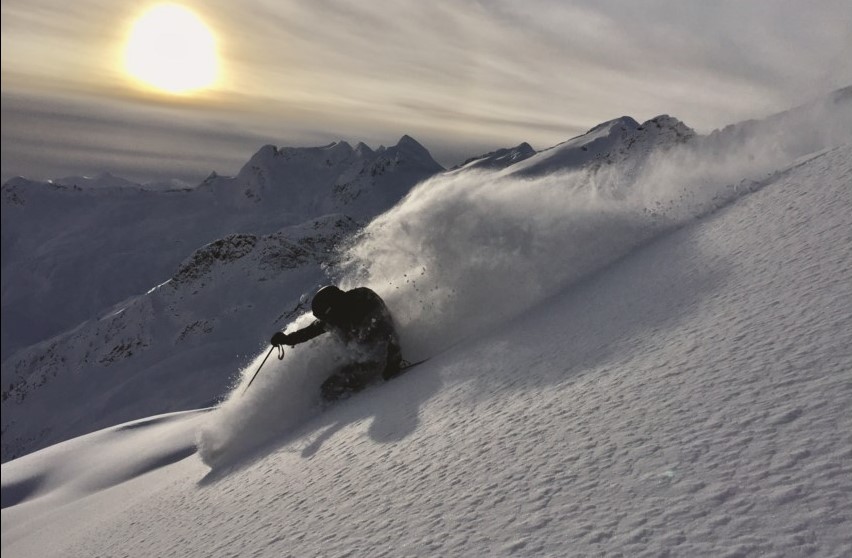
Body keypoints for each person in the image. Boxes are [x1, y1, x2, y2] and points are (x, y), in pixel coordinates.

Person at [271, 285, 403, 401]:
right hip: (362, 356)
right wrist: (286, 339)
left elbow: (388, 330)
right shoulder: (336, 315)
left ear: (333, 307)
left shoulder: (364, 303)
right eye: (323, 318)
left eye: (326, 316)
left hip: (379, 356)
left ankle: (345, 408)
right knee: (328, 388)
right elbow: (311, 331)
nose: (326, 321)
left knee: (334, 387)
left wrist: (394, 360)